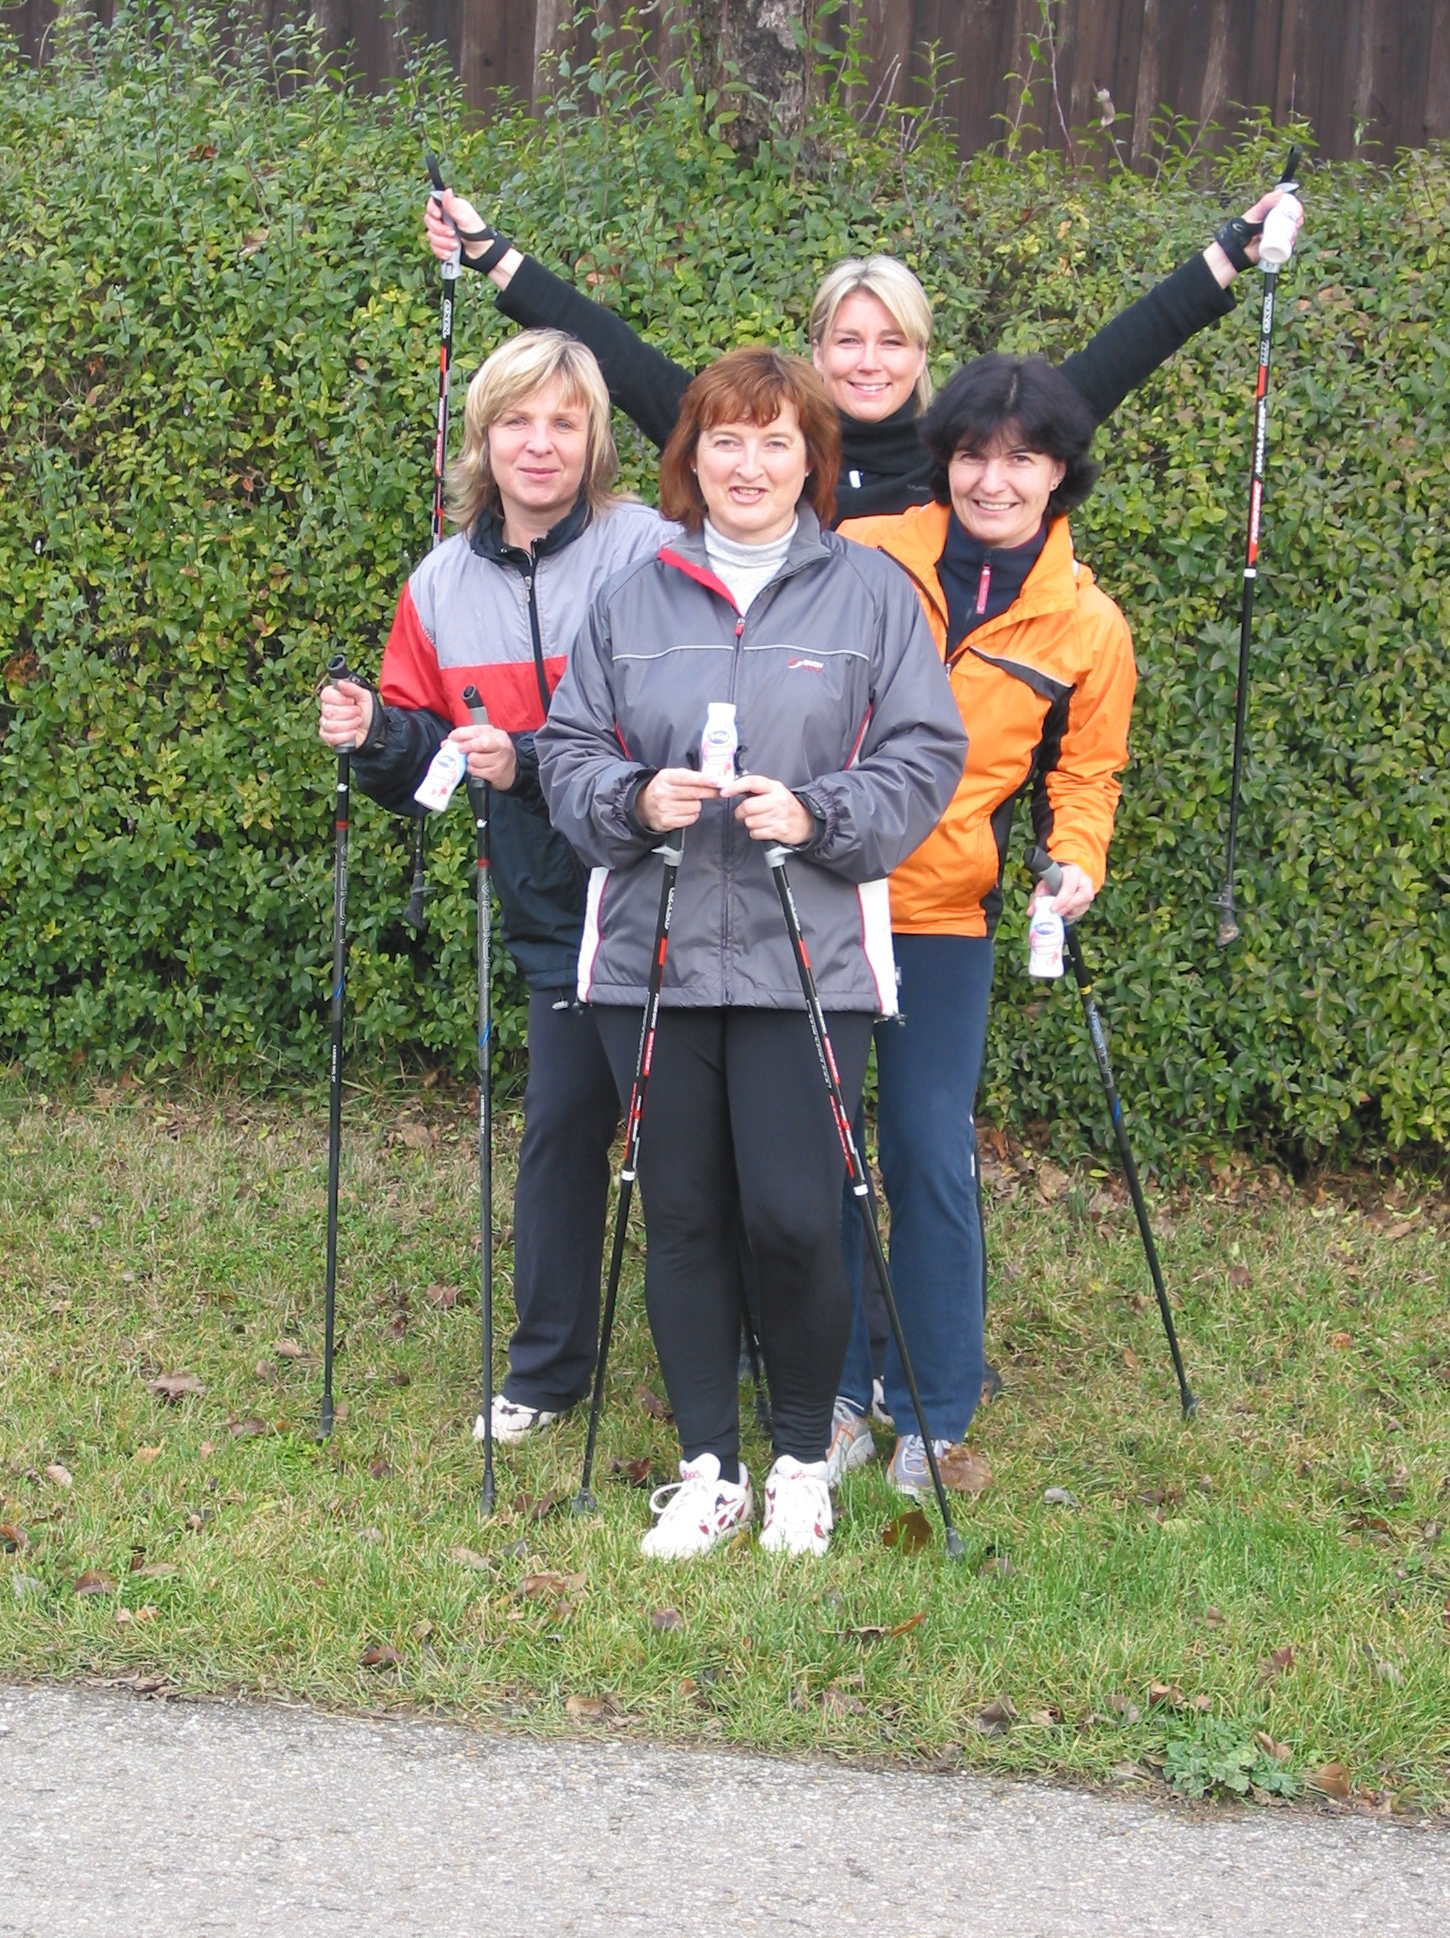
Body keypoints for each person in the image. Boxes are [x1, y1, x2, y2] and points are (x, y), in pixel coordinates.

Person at [536, 348, 966, 1559]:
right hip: (653, 959)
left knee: (794, 1215)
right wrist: (633, 799)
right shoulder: (632, 597)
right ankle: (708, 1470)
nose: (749, 464)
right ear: (691, 457)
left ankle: (797, 1465)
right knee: (678, 1212)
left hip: (805, 961)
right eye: (725, 439)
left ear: (812, 461)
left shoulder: (871, 595)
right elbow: (568, 753)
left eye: (777, 442)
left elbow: (926, 755)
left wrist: (819, 814)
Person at [317, 329, 667, 1445]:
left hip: (671, 896)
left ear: (595, 439)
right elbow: (425, 758)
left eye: (565, 421)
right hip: (549, 910)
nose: (540, 443)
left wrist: (533, 755)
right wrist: (376, 734)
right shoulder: (438, 584)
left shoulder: (652, 549)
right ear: (482, 436)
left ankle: (748, 1360)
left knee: (688, 1140)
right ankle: (548, 1372)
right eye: (517, 420)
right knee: (562, 1124)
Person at [828, 352, 1141, 1494]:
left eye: (1021, 458)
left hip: (944, 916)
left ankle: (930, 1409)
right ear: (942, 461)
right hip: (812, 895)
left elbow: (1088, 773)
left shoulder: (1087, 625)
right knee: (817, 1150)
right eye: (972, 454)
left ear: (1059, 474)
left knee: (927, 1153)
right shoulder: (862, 552)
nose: (992, 480)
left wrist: (1078, 856)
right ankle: (835, 1394)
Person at [424, 180, 1298, 526]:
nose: (868, 362)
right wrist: (491, 253)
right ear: (817, 350)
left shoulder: (966, 453)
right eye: (847, 340)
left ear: (922, 355)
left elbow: (1116, 359)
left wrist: (1232, 251)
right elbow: (617, 354)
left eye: (891, 341)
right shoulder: (762, 444)